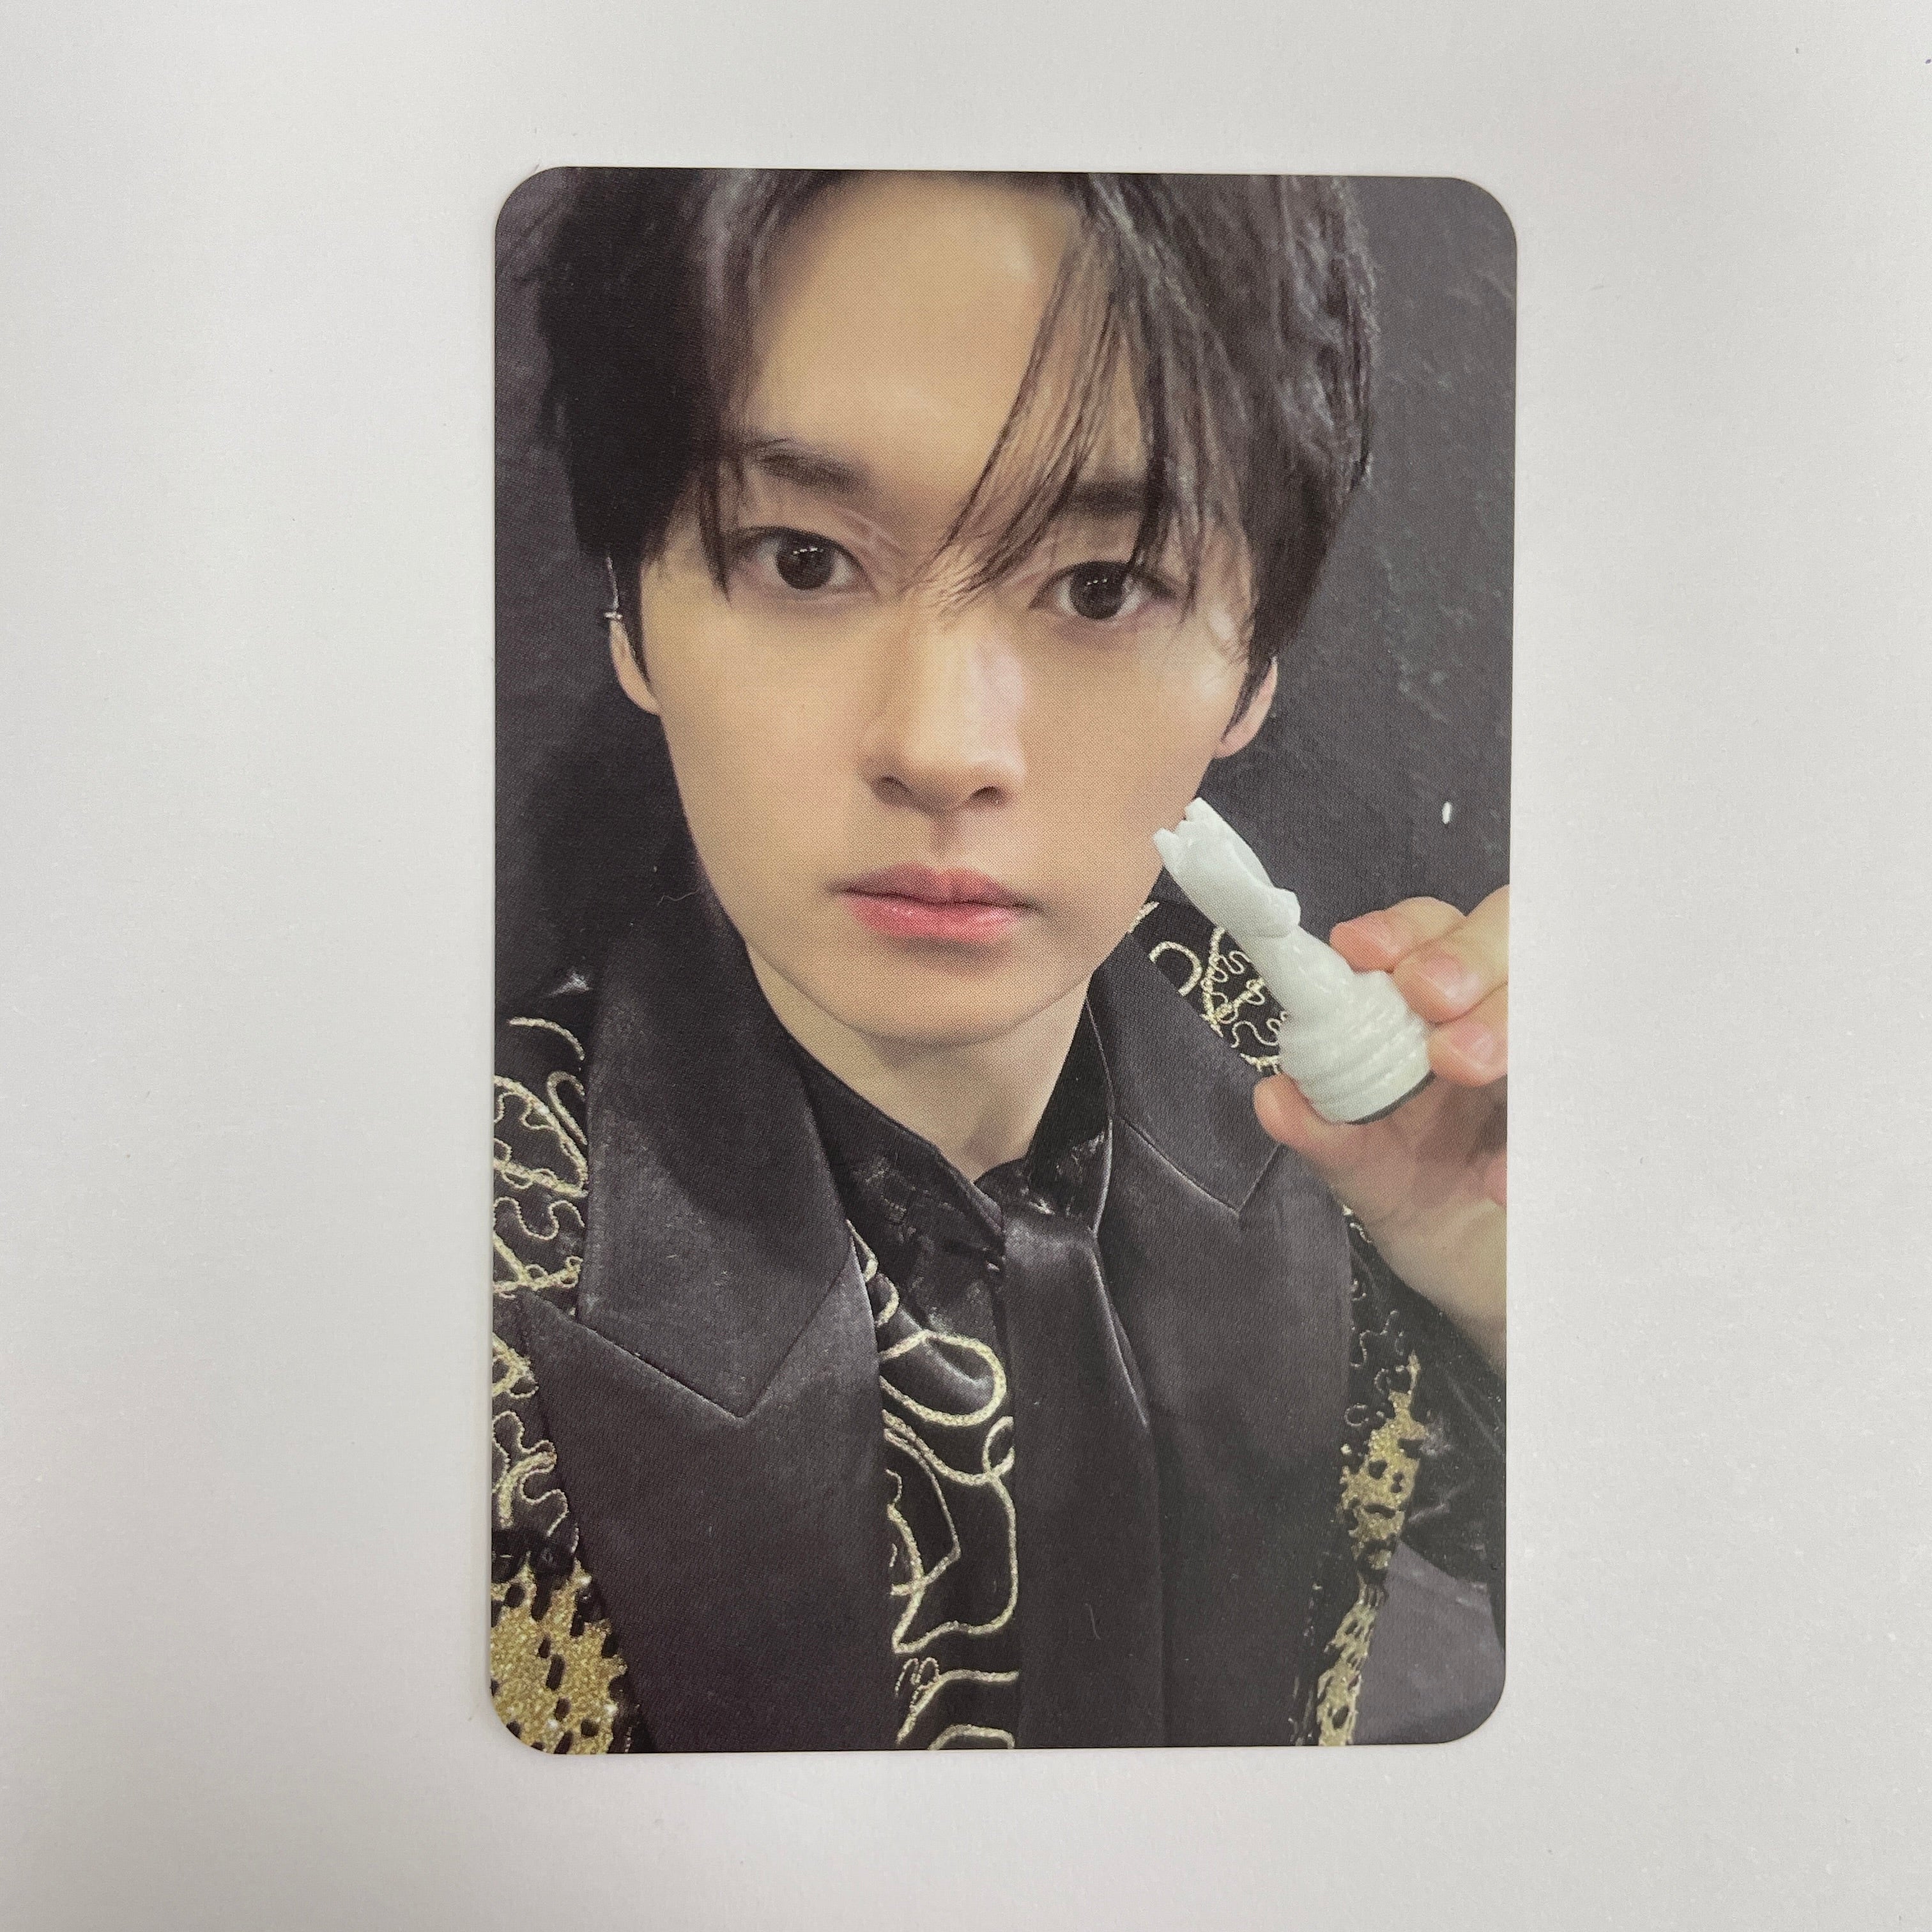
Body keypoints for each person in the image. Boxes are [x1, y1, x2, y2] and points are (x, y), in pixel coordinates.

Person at [490, 169, 1508, 1753]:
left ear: (1254, 665)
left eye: (1103, 585)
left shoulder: (1366, 1129)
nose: (944, 748)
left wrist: (1525, 1309)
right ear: (629, 611)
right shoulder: (417, 1280)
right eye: (800, 558)